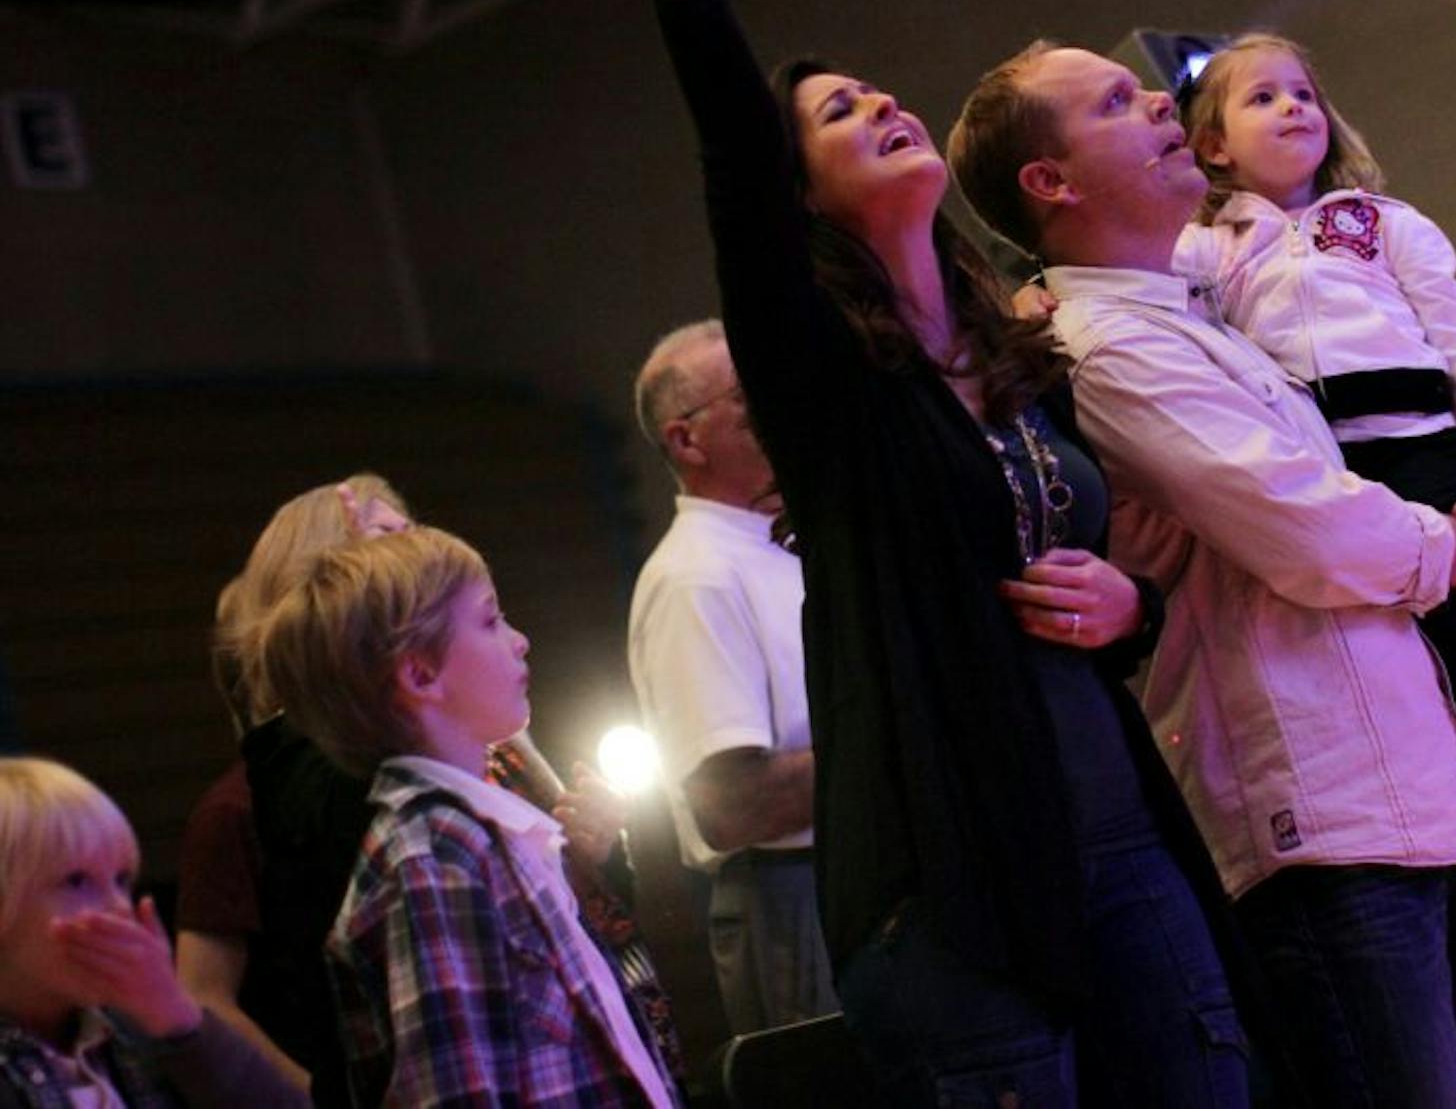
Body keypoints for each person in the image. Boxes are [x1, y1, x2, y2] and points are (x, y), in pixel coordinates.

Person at [490, 0, 1256, 1108]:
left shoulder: (1018, 352)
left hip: (1120, 841)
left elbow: (1104, 571)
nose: (886, 104)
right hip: (954, 887)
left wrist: (1127, 605)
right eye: (840, 114)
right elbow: (735, 157)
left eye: (879, 90)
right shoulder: (825, 386)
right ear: (804, 197)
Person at [946, 31, 1456, 1109]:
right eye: (1116, 103)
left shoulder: (1195, 306)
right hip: (1322, 824)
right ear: (1051, 183)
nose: (1162, 105)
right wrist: (1452, 544)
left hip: (1405, 792)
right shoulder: (1105, 344)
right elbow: (1310, 531)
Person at [1173, 33, 1456, 1001]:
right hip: (1326, 463)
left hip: (1420, 445)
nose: (1293, 108)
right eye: (1261, 98)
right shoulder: (1202, 250)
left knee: (1452, 634)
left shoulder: (1382, 224)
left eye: (1303, 92)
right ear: (1212, 146)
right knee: (1411, 680)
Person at [196, 476, 671, 1104]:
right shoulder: (428, 853)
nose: (521, 638)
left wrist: (593, 854)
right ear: (412, 667)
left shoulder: (479, 802)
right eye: (490, 619)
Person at [628, 320, 836, 1035]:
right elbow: (733, 806)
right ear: (687, 440)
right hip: (793, 898)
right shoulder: (696, 577)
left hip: (843, 870)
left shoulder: (786, 541)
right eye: (750, 396)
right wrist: (903, 744)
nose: (783, 404)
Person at [0, 756, 308, 1107]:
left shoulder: (130, 1026)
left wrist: (177, 1016)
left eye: (121, 880)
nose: (120, 908)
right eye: (77, 881)